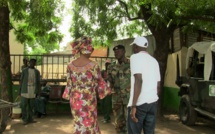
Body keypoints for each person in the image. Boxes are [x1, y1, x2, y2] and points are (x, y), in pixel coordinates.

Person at [66, 36, 111, 133]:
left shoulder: (70, 65)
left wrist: (67, 94)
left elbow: (69, 84)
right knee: (90, 122)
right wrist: (107, 91)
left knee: (78, 123)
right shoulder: (93, 65)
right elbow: (100, 81)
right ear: (88, 49)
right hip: (88, 98)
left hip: (75, 99)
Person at [127, 36, 161, 134]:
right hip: (152, 103)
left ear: (136, 47)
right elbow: (158, 85)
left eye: (134, 46)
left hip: (139, 104)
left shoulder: (134, 57)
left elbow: (138, 80)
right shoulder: (154, 61)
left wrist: (134, 106)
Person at [107, 44, 131, 133]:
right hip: (116, 98)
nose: (116, 53)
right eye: (115, 52)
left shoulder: (132, 64)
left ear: (124, 52)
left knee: (130, 122)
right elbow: (110, 81)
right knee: (118, 123)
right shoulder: (111, 66)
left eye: (119, 51)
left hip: (129, 98)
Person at [19, 58, 40, 125]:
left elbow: (38, 82)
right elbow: (21, 80)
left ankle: (30, 119)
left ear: (35, 63)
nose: (32, 63)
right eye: (31, 62)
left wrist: (38, 91)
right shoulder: (24, 70)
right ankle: (24, 119)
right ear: (29, 63)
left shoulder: (37, 72)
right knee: (24, 105)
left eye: (34, 62)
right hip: (25, 90)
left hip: (33, 90)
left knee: (31, 105)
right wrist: (20, 90)